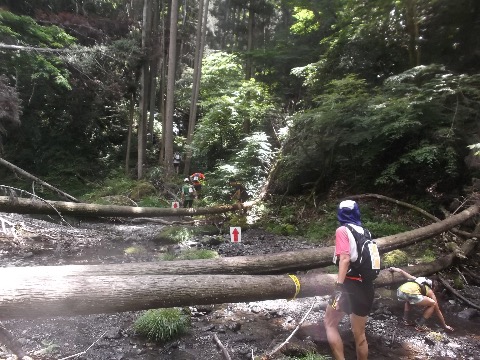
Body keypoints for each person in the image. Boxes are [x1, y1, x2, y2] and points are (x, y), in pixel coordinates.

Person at [324, 200, 374, 360]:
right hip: (366, 287)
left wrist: (338, 285)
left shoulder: (342, 230)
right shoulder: (365, 232)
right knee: (360, 334)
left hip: (347, 287)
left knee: (329, 323)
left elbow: (345, 259)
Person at [389, 267, 454, 332]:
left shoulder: (417, 280)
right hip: (410, 293)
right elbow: (437, 310)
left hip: (400, 291)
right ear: (432, 286)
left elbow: (402, 272)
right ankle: (420, 326)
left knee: (408, 300)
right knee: (433, 304)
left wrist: (393, 269)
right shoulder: (429, 290)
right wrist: (444, 325)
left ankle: (406, 320)